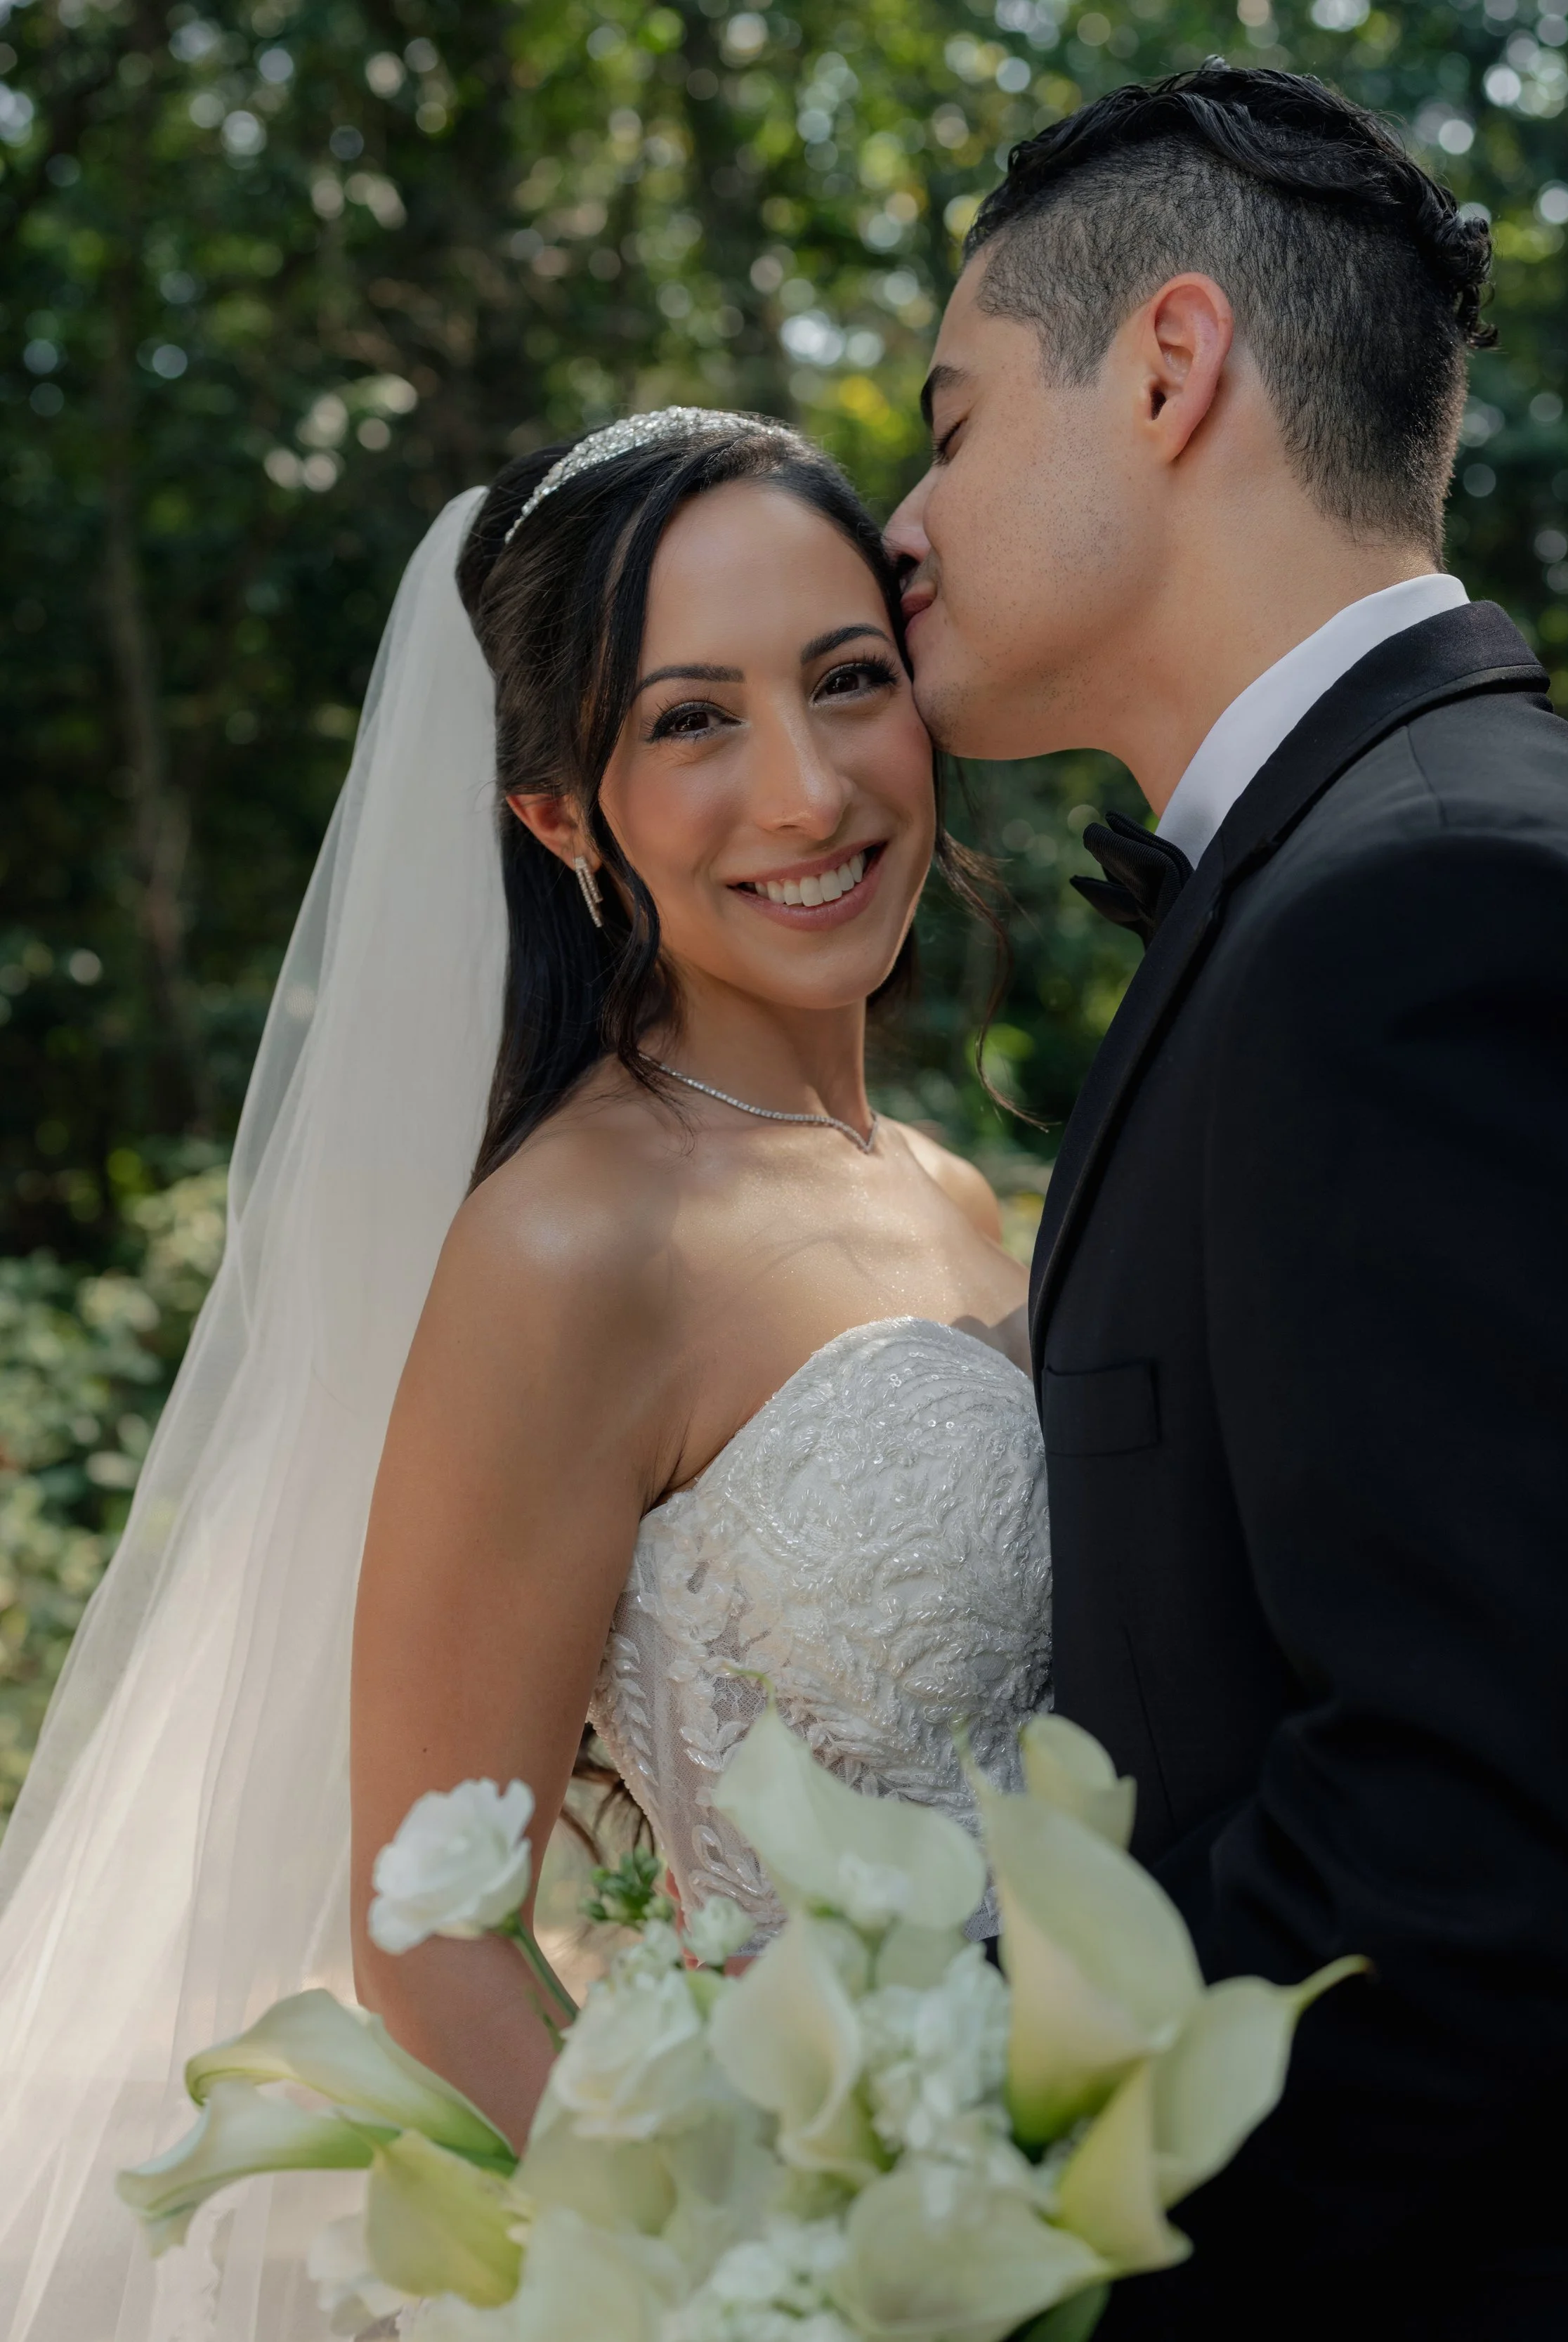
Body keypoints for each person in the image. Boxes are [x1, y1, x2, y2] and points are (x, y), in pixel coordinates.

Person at [0, 410, 1047, 2339]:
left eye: (847, 682)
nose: (808, 790)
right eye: (689, 721)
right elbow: (433, 1928)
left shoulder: (954, 1192)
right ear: (561, 815)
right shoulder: (573, 1242)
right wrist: (745, 2280)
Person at [886, 63, 1568, 2342]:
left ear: (1167, 369)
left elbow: (1489, 1860)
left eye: (951, 420)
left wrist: (951, 2207)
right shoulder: (1369, 875)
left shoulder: (1438, 910)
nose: (905, 514)